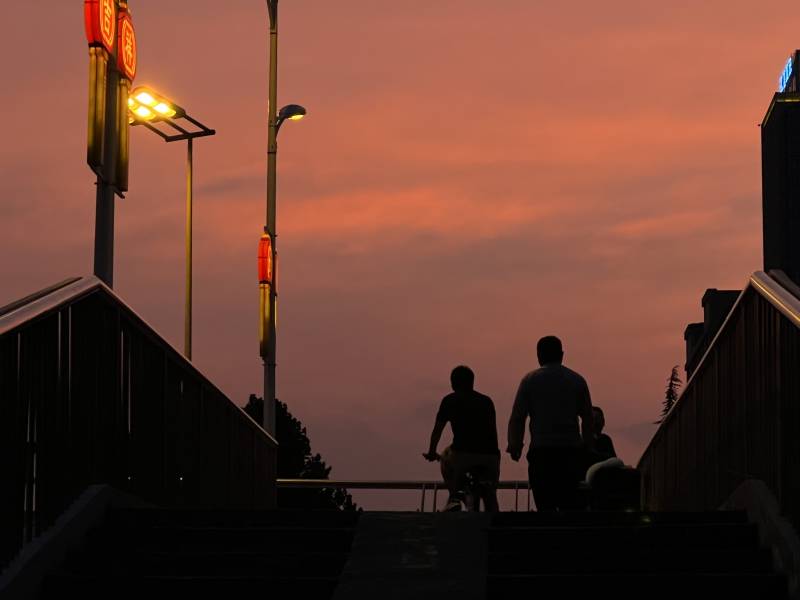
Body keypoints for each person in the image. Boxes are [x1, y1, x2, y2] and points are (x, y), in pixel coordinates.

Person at [507, 336, 594, 511]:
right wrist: (587, 447)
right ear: (562, 355)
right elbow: (587, 418)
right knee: (570, 504)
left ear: (539, 355)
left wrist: (515, 444)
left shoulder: (529, 380)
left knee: (544, 505)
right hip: (570, 451)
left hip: (542, 451)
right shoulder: (577, 380)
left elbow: (518, 417)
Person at [423, 365, 500, 512]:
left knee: (446, 454)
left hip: (463, 456)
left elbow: (437, 432)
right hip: (491, 457)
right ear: (472, 382)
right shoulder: (486, 401)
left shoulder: (449, 401)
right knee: (491, 496)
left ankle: (454, 497)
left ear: (452, 384)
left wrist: (432, 452)